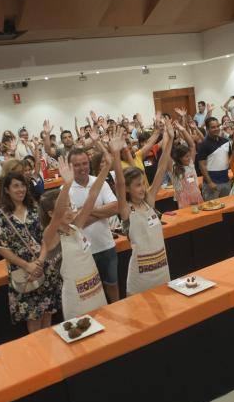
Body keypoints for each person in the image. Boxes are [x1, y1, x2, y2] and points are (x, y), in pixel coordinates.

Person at [41, 156, 111, 319]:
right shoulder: (50, 236)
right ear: (51, 213)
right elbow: (58, 214)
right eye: (65, 207)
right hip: (76, 299)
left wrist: (107, 167)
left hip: (96, 290)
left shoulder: (76, 225)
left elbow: (93, 195)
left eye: (70, 206)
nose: (69, 210)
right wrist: (67, 184)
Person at [0, 173, 61, 332]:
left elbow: (46, 237)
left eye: (23, 185)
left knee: (47, 312)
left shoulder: (35, 208)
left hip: (44, 267)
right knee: (33, 316)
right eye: (16, 186)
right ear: (7, 190)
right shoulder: (1, 215)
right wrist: (27, 265)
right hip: (22, 271)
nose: (21, 189)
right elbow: (1, 247)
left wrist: (39, 262)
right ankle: (39, 354)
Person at [110, 123, 173, 295]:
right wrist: (115, 152)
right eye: (138, 185)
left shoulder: (149, 201)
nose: (143, 188)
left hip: (162, 272)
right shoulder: (126, 210)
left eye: (143, 184)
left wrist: (170, 140)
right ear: (128, 189)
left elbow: (161, 167)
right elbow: (119, 182)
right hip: (141, 279)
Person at [67, 148, 120, 304]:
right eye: (77, 165)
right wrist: (101, 212)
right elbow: (74, 224)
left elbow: (115, 208)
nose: (82, 168)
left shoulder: (99, 182)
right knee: (89, 294)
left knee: (113, 286)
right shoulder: (65, 190)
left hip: (106, 246)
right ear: (70, 167)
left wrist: (84, 211)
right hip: (82, 253)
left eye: (85, 163)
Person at [197, 117, 233, 200]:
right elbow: (201, 165)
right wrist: (209, 182)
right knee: (213, 210)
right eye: (213, 127)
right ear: (207, 129)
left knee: (227, 208)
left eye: (217, 126)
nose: (216, 129)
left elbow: (231, 158)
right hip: (212, 184)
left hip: (226, 181)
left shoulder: (226, 141)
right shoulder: (204, 144)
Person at [169, 121, 203, 208]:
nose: (189, 158)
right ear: (179, 158)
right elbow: (166, 151)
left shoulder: (190, 165)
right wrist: (169, 135)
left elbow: (192, 145)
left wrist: (183, 129)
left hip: (196, 196)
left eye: (189, 156)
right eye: (186, 157)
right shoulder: (173, 168)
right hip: (183, 200)